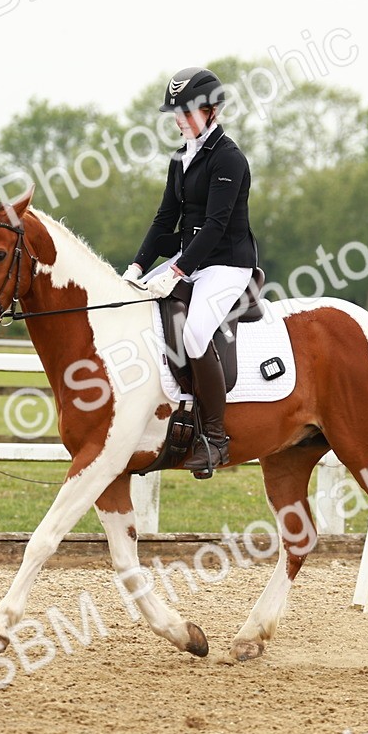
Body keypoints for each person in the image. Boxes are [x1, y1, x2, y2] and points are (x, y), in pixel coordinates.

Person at [123, 66, 258, 478]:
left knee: (195, 332)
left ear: (212, 110)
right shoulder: (181, 158)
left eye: (186, 111)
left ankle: (215, 438)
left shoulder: (229, 158)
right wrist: (138, 267)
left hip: (228, 264)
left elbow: (216, 225)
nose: (179, 120)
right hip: (191, 261)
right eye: (175, 112)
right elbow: (166, 219)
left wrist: (177, 269)